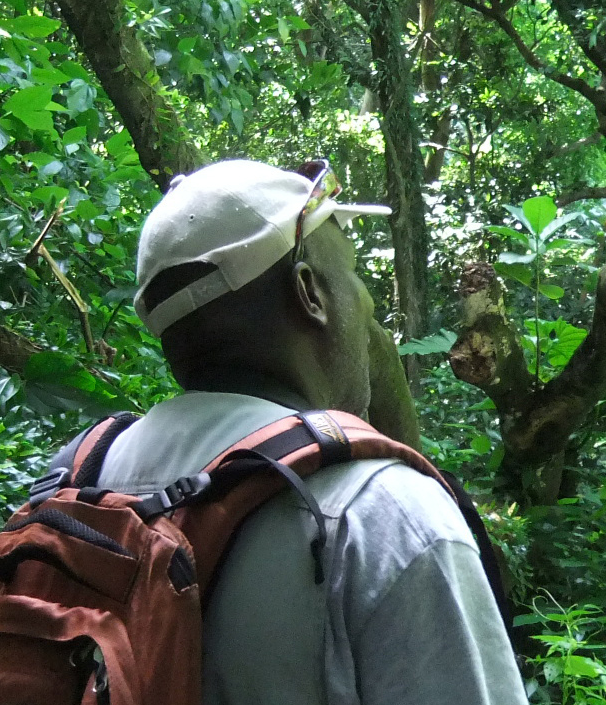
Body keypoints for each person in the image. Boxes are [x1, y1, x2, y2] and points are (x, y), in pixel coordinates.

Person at [94, 159, 525, 704]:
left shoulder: (82, 474)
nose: (366, 303)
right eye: (353, 274)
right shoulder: (385, 516)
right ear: (310, 293)